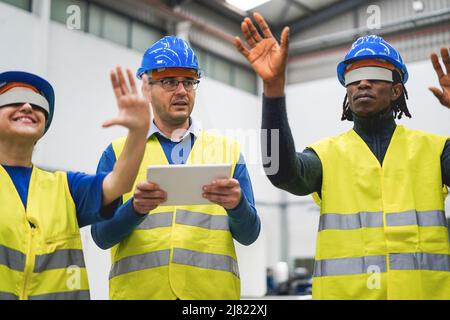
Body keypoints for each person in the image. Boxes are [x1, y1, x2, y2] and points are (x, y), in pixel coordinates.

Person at [235, 13, 450, 299]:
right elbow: (279, 171)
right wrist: (273, 91)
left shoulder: (435, 151)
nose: (363, 84)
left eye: (375, 76)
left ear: (397, 90)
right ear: (347, 90)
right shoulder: (326, 156)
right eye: (354, 77)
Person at [91, 36, 261, 300]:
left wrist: (237, 206)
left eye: (189, 82)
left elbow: (250, 235)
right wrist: (134, 209)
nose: (182, 91)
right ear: (146, 88)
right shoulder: (117, 153)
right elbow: (101, 236)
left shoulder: (229, 152)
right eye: (169, 81)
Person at [0, 68, 150, 300]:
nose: (28, 107)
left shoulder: (66, 188)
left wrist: (139, 131)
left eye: (38, 104)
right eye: (13, 98)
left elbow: (118, 183)